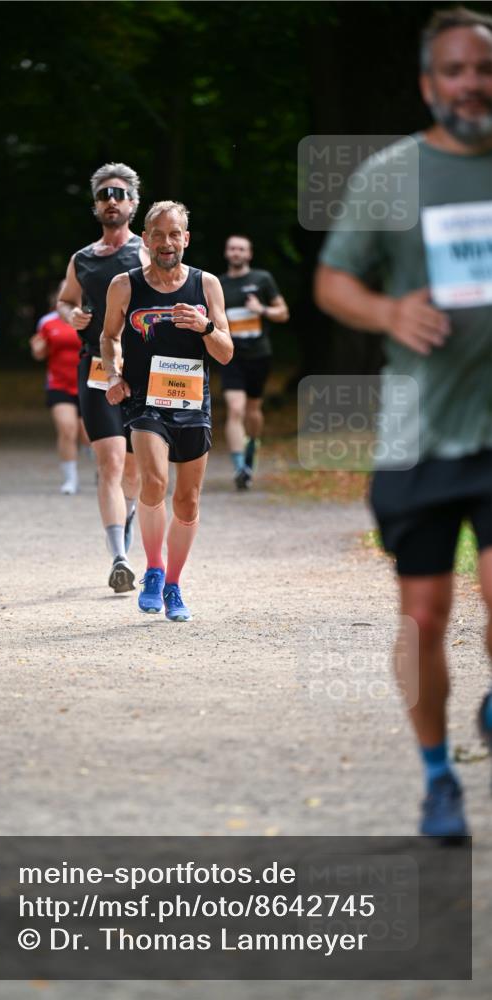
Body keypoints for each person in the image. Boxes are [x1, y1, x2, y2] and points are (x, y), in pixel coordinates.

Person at [314, 6, 492, 838]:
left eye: (483, 69)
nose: (471, 84)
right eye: (454, 70)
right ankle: (435, 777)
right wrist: (389, 313)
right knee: (422, 617)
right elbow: (332, 283)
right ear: (428, 85)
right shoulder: (391, 175)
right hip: (419, 432)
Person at [101, 201, 233, 621]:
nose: (166, 242)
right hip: (145, 401)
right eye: (157, 234)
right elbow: (108, 337)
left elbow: (226, 352)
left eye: (174, 234)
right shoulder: (124, 285)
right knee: (154, 482)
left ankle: (174, 584)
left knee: (188, 501)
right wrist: (113, 375)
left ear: (186, 239)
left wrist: (205, 326)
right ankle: (154, 570)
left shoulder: (206, 285)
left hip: (192, 402)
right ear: (145, 239)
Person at [58, 163, 147, 593]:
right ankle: (119, 558)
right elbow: (64, 300)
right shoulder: (82, 259)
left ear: (133, 203)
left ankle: (126, 517)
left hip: (142, 370)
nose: (111, 201)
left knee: (133, 468)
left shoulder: (146, 252)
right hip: (95, 367)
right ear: (95, 205)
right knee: (109, 461)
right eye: (104, 195)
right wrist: (71, 315)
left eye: (119, 194)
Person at [219, 235, 289, 489]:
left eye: (241, 249)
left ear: (249, 254)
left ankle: (251, 449)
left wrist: (262, 310)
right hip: (231, 355)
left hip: (259, 354)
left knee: (252, 410)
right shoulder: (218, 284)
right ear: (226, 252)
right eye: (232, 248)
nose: (236, 252)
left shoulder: (262, 279)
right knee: (235, 408)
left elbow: (283, 313)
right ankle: (240, 468)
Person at [30, 284, 86, 494]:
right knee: (67, 429)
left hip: (89, 384)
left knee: (88, 435)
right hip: (59, 384)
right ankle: (70, 479)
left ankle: (103, 469)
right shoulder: (47, 322)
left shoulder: (91, 317)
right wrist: (37, 349)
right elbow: (40, 352)